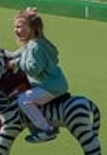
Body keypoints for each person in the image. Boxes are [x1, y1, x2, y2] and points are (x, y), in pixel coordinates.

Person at [10, 7, 68, 144]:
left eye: (19, 26)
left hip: (49, 87)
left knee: (23, 100)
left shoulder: (35, 47)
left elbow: (34, 69)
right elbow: (18, 53)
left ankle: (46, 129)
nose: (15, 30)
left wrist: (16, 64)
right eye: (15, 27)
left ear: (31, 28)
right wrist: (6, 56)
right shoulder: (36, 43)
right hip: (54, 84)